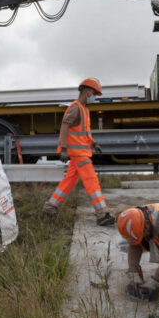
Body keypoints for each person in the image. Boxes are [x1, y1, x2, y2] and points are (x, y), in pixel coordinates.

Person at [43, 78, 115, 226]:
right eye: (94, 94)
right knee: (91, 181)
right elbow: (64, 126)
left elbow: (84, 132)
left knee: (69, 181)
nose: (95, 97)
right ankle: (102, 214)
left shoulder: (84, 109)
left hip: (82, 152)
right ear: (87, 92)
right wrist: (63, 148)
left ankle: (50, 207)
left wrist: (94, 143)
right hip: (79, 154)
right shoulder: (75, 107)